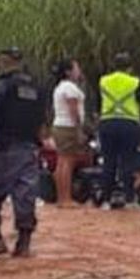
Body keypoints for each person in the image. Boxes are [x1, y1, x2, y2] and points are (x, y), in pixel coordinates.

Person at [0, 47, 45, 259]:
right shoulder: (36, 88)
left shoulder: (1, 87)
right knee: (25, 194)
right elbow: (43, 122)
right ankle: (24, 244)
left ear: (2, 62)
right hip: (29, 148)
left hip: (4, 149)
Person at [98, 52, 140, 209]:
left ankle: (105, 200)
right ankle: (129, 199)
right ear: (130, 68)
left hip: (107, 123)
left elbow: (97, 103)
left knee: (108, 162)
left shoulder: (103, 81)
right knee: (127, 161)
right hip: (129, 124)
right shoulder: (134, 82)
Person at [49, 58, 88, 207]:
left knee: (61, 161)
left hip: (59, 125)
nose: (79, 71)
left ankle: (61, 197)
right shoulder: (70, 88)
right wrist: (78, 129)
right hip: (68, 127)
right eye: (76, 68)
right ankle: (65, 198)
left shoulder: (60, 87)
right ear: (68, 72)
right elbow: (73, 110)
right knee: (67, 162)